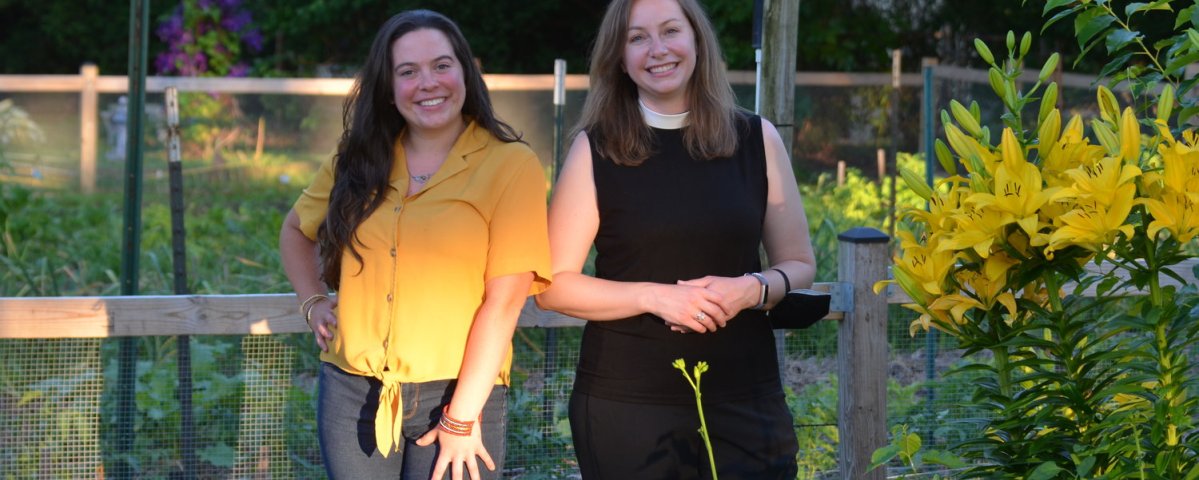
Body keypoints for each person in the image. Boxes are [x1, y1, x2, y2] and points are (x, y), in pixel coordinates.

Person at [534, 0, 817, 478]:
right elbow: (551, 286)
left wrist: (752, 288)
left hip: (747, 396)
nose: (657, 49)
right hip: (628, 406)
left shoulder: (756, 137)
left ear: (697, 40)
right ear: (618, 57)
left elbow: (799, 262)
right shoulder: (595, 149)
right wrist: (656, 297)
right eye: (637, 37)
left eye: (670, 31)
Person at [278, 10, 551, 480]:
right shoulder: (357, 158)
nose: (428, 83)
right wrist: (313, 302)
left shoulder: (511, 165)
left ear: (465, 71)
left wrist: (461, 417)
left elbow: (504, 302)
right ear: (388, 87)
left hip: (460, 393)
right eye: (408, 71)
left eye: (442, 65)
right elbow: (295, 232)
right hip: (352, 395)